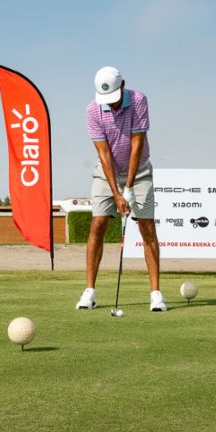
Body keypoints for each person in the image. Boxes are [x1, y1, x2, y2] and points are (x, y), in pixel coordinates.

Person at [76, 66, 165, 312]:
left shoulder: (138, 101)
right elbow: (103, 153)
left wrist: (129, 188)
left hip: (140, 172)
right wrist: (117, 193)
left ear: (123, 85)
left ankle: (156, 294)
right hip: (107, 174)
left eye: (114, 100)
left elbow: (137, 145)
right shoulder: (92, 110)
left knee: (147, 226)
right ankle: (89, 292)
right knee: (98, 223)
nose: (112, 107)